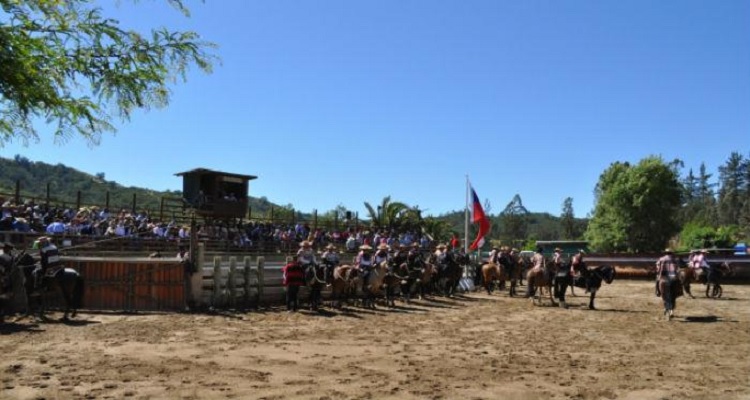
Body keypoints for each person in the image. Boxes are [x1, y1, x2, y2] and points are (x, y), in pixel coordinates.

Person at [656, 248, 680, 319]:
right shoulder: (674, 259)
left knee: (657, 281)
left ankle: (657, 291)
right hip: (673, 277)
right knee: (676, 288)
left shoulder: (661, 259)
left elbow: (658, 268)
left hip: (664, 277)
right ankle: (671, 310)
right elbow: (677, 268)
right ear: (671, 253)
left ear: (665, 253)